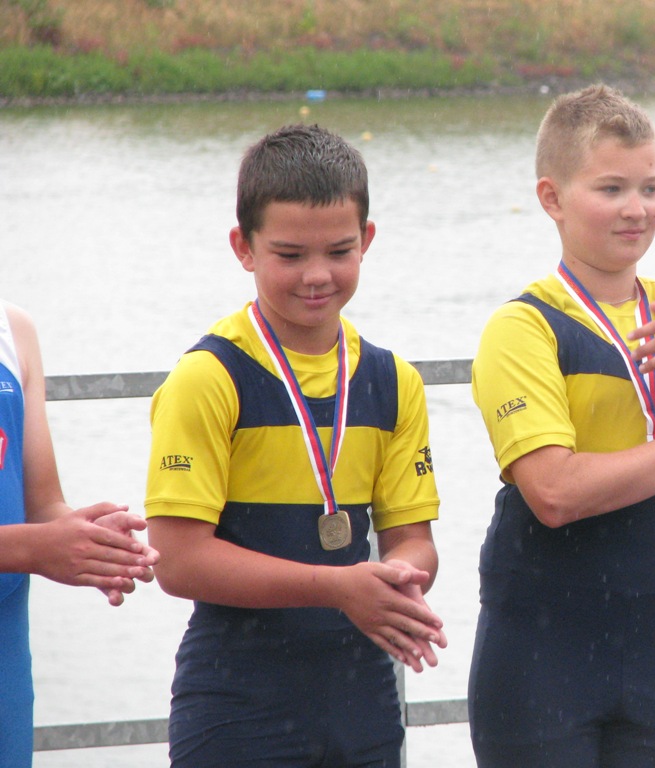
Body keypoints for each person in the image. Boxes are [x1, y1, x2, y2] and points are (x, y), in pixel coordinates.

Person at [467, 84, 655, 768]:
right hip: (542, 653)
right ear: (552, 198)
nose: (637, 209)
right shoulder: (523, 328)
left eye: (651, 188)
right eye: (611, 189)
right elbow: (555, 493)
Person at [145, 123, 446, 768]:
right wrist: (338, 587)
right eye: (288, 255)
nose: (316, 275)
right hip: (237, 701)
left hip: (363, 698)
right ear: (243, 248)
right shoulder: (209, 378)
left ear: (367, 240)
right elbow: (178, 560)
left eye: (339, 251)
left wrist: (401, 576)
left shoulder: (394, 381)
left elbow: (413, 540)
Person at [0, 300, 159, 767]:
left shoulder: (12, 330)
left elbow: (42, 504)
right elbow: (34, 542)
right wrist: (34, 548)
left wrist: (92, 542)